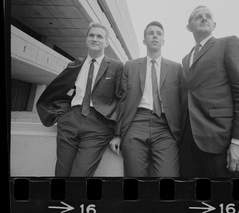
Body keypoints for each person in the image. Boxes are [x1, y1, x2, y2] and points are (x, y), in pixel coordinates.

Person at [36, 21, 124, 177]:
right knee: (61, 173)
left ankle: (76, 201)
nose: (95, 39)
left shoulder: (116, 66)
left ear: (106, 42)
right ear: (86, 39)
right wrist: (62, 116)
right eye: (91, 35)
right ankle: (60, 202)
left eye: (99, 36)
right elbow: (58, 90)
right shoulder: (75, 64)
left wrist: (118, 134)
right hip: (71, 120)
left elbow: (121, 100)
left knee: (80, 175)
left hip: (99, 125)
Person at [179, 5, 239, 177]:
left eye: (208, 16)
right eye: (198, 17)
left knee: (223, 200)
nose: (204, 18)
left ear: (214, 25)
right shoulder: (185, 59)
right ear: (189, 27)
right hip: (187, 145)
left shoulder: (229, 43)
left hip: (221, 142)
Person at [110, 21, 181, 177]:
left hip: (165, 127)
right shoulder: (130, 66)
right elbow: (122, 100)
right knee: (135, 179)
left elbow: (181, 102)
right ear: (144, 40)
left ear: (163, 41)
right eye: (151, 33)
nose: (155, 36)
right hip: (136, 124)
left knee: (169, 177)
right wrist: (117, 134)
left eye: (158, 33)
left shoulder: (176, 68)